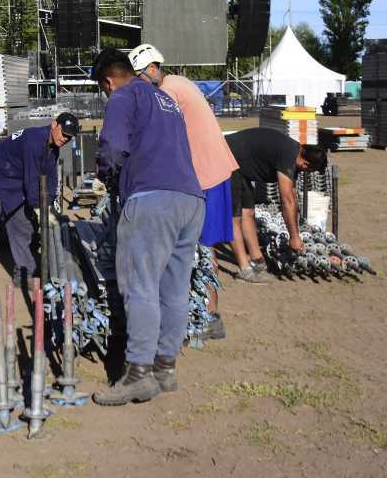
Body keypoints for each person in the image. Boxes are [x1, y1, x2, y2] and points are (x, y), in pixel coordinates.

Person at [91, 48, 204, 406]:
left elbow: (112, 147)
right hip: (191, 200)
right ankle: (164, 368)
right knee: (173, 288)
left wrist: (107, 177)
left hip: (152, 201)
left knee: (140, 286)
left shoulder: (123, 97)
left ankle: (138, 374)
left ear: (109, 81)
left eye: (103, 89)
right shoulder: (165, 99)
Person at [130, 43, 236, 340]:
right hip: (211, 171)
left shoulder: (166, 93)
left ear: (152, 69)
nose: (138, 83)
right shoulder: (180, 82)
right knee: (197, 246)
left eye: (139, 75)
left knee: (203, 247)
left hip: (205, 176)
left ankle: (210, 316)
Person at [0, 112, 80, 293]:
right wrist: (39, 208)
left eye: (69, 137)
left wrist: (50, 205)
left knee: (23, 228)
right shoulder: (34, 141)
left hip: (15, 183)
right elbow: (32, 180)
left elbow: (51, 177)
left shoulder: (52, 146)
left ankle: (23, 276)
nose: (65, 139)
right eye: (64, 134)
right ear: (54, 125)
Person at [223, 127, 328, 282]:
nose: (306, 173)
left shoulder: (295, 153)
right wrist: (294, 237)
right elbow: (286, 201)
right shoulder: (288, 155)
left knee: (248, 212)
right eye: (309, 171)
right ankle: (244, 269)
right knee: (234, 217)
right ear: (306, 165)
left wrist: (297, 231)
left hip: (240, 166)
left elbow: (292, 197)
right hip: (226, 158)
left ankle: (257, 260)